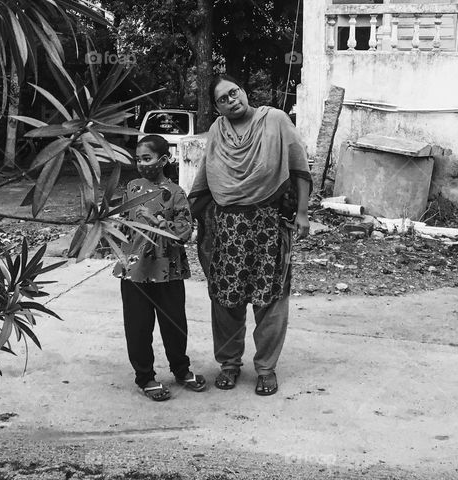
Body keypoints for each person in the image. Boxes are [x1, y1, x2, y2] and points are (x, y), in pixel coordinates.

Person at [189, 75, 311, 397]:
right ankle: (229, 363)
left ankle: (266, 368)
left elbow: (299, 169)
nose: (232, 100)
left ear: (244, 91)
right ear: (217, 108)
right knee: (226, 298)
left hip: (269, 222)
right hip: (227, 226)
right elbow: (205, 177)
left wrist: (301, 213)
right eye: (223, 99)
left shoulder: (275, 121)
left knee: (270, 298)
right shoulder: (218, 131)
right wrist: (186, 216)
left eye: (234, 92)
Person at [114, 134, 207, 400]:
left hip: (168, 269)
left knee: (174, 323)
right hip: (134, 269)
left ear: (163, 160)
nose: (142, 164)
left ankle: (181, 369)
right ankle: (145, 377)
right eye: (138, 159)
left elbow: (184, 232)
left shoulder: (176, 193)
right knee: (137, 326)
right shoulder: (131, 187)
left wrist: (156, 221)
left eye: (147, 158)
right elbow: (123, 221)